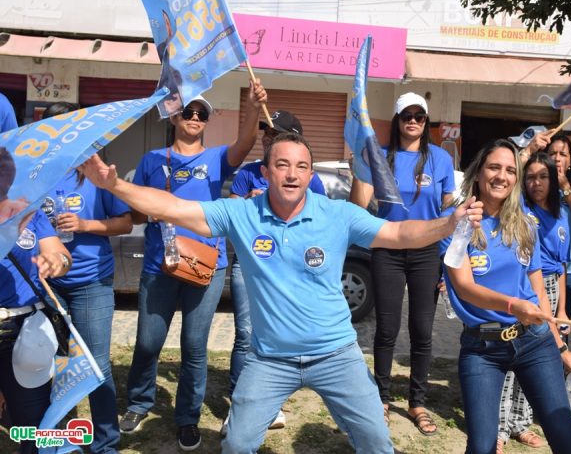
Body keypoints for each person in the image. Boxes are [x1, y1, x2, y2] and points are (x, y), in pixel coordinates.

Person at [79, 131, 483, 454]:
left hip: (336, 354)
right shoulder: (241, 214)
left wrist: (448, 224)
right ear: (267, 171)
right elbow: (170, 207)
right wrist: (113, 183)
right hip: (270, 359)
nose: (292, 173)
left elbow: (397, 233)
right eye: (282, 165)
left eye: (301, 166)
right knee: (237, 444)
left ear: (310, 175)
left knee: (377, 443)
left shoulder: (337, 215)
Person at [117, 83, 266, 451]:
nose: (195, 118)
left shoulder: (216, 159)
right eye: (189, 112)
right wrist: (149, 209)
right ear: (175, 116)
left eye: (202, 113)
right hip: (160, 264)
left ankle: (188, 418)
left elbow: (244, 145)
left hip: (205, 266)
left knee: (195, 346)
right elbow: (135, 212)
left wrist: (251, 107)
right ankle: (139, 403)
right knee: (148, 342)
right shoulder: (152, 160)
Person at [440, 139, 571, 454]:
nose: (502, 176)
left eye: (510, 170)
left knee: (565, 440)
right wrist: (513, 306)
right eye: (494, 167)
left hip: (534, 342)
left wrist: (561, 347)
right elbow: (465, 287)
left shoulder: (524, 224)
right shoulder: (460, 222)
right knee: (482, 447)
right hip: (483, 348)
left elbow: (538, 293)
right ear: (478, 173)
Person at [350, 92, 456, 435]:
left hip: (427, 253)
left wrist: (448, 260)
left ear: (426, 123)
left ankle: (417, 402)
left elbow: (448, 212)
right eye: (406, 115)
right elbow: (358, 205)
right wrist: (359, 166)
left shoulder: (440, 159)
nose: (413, 121)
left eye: (419, 116)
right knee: (386, 329)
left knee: (422, 331)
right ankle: (380, 397)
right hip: (389, 249)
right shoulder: (379, 156)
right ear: (397, 120)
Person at [224, 110, 326, 433]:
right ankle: (238, 404)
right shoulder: (249, 173)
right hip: (249, 265)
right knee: (245, 336)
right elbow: (230, 218)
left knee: (278, 336)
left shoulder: (312, 178)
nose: (267, 137)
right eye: (267, 132)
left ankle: (271, 402)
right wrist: (251, 204)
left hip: (290, 269)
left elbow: (321, 223)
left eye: (276, 133)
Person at [40, 101, 133, 454]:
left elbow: (125, 223)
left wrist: (84, 225)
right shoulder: (38, 174)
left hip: (91, 282)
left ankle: (105, 442)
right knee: (55, 365)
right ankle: (64, 438)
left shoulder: (94, 171)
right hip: (48, 284)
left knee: (94, 363)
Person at [493, 152, 571, 452]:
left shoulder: (561, 213)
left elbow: (561, 265)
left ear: (553, 179)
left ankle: (521, 423)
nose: (536, 182)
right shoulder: (520, 209)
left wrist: (561, 308)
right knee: (511, 357)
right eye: (531, 176)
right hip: (522, 288)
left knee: (538, 359)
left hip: (549, 289)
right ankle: (498, 428)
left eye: (543, 176)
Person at [0, 210, 71, 454]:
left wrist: (57, 262)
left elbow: (62, 256)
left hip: (23, 330)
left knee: (37, 427)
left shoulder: (30, 211)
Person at [520, 132, 571, 318]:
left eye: (563, 154)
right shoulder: (533, 186)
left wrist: (565, 187)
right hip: (533, 269)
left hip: (568, 267)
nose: (558, 159)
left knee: (561, 321)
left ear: (570, 160)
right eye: (553, 153)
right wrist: (529, 150)